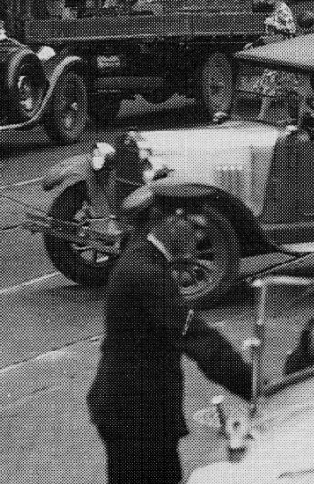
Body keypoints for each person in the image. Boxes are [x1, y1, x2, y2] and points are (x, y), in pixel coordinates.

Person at [87, 188, 252, 484]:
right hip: (135, 415)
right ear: (169, 222)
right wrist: (255, 388)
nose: (199, 238)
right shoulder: (146, 273)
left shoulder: (143, 252)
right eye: (195, 227)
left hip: (141, 409)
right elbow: (201, 341)